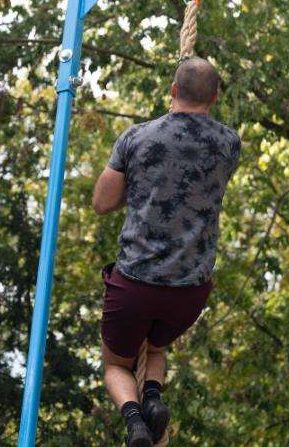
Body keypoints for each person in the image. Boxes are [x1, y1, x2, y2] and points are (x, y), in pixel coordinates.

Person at [92, 57, 242, 446]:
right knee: (155, 347)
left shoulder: (136, 138)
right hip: (189, 291)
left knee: (115, 364)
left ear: (173, 90)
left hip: (135, 285)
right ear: (215, 96)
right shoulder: (229, 143)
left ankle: (135, 422)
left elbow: (102, 202)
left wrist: (136, 178)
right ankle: (153, 399)